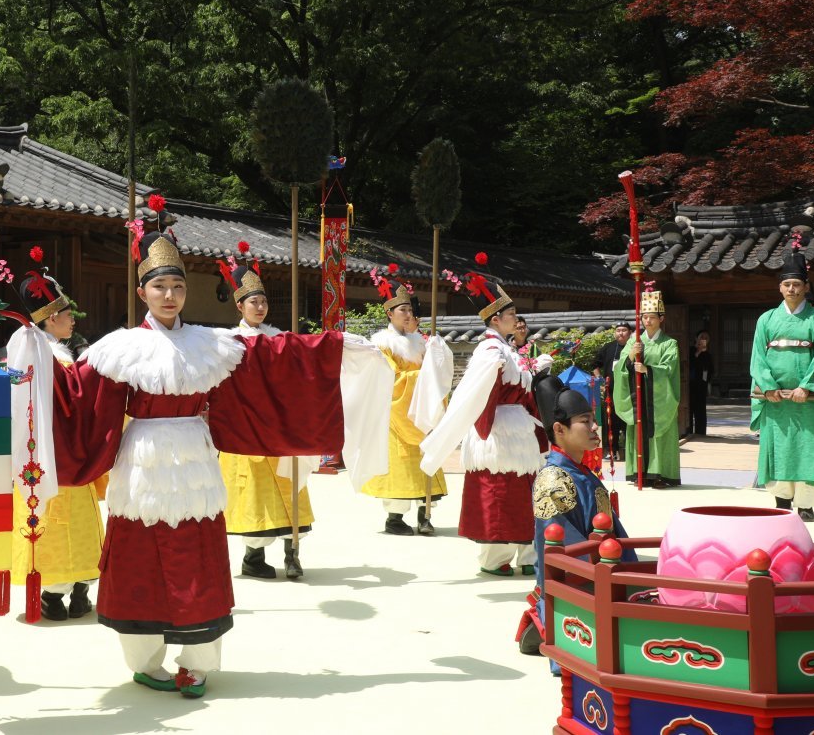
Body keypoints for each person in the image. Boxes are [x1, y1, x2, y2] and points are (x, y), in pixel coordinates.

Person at [47, 226, 391, 698]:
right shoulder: (118, 347)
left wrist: (334, 346)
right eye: (160, 287)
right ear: (141, 291)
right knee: (140, 558)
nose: (170, 296)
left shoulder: (212, 344)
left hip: (194, 456)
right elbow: (75, 397)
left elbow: (276, 356)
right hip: (143, 461)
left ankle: (197, 662)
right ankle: (145, 660)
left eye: (178, 286)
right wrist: (32, 360)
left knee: (198, 556)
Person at [420, 268, 548, 577]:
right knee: (500, 490)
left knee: (526, 487)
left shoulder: (508, 349)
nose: (516, 320)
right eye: (511, 314)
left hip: (520, 425)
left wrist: (535, 370)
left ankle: (529, 552)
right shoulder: (490, 351)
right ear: (495, 319)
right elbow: (473, 392)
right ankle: (495, 557)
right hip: (496, 429)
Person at [8, 265, 107, 620]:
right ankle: (55, 591)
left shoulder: (43, 354)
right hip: (59, 455)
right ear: (50, 320)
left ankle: (77, 587)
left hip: (55, 454)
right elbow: (73, 398)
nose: (72, 319)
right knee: (62, 518)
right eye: (66, 314)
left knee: (74, 517)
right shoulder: (49, 358)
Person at [516, 375, 635, 667]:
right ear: (559, 429)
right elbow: (559, 550)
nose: (595, 427)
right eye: (585, 421)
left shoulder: (581, 471)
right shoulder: (553, 479)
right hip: (583, 585)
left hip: (605, 572)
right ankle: (546, 622)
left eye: (593, 419)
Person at [217, 250, 314, 577]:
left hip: (281, 425)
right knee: (255, 494)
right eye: (253, 302)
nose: (260, 307)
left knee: (291, 485)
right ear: (239, 306)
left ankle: (293, 554)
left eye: (263, 301)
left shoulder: (279, 340)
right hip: (248, 430)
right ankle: (253, 558)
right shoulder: (229, 343)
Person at [361, 271, 452, 536]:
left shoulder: (419, 341)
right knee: (400, 464)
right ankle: (395, 517)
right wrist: (421, 378)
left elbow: (437, 369)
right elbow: (388, 377)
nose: (407, 314)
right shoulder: (382, 343)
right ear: (390, 313)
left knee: (426, 459)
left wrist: (432, 361)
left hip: (421, 409)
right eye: (402, 309)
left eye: (409, 309)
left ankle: (426, 514)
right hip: (396, 412)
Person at [753, 252, 814, 521]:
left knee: (809, 448)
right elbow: (758, 357)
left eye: (797, 284)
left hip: (806, 399)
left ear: (806, 287)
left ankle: (806, 504)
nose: (792, 289)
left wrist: (808, 387)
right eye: (787, 284)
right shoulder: (766, 319)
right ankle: (781, 500)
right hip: (776, 400)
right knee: (780, 448)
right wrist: (767, 388)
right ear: (779, 287)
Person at [613, 289, 681, 487]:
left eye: (652, 317)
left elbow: (669, 369)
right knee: (638, 430)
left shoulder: (669, 343)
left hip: (659, 399)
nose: (647, 321)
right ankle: (639, 471)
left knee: (660, 432)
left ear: (661, 318)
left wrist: (647, 370)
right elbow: (620, 369)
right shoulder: (635, 342)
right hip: (638, 398)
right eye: (644, 317)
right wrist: (632, 355)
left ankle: (659, 473)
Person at [592, 322, 632, 460]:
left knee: (629, 421)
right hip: (611, 390)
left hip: (629, 391)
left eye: (624, 330)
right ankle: (612, 450)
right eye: (618, 330)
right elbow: (595, 364)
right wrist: (600, 381)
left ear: (630, 333)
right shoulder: (608, 347)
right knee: (611, 421)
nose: (620, 333)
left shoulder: (634, 347)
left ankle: (631, 451)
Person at [688, 330, 713, 437]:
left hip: (701, 385)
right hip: (690, 385)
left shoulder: (707, 354)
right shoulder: (690, 350)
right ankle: (687, 432)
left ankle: (701, 433)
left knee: (701, 410)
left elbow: (711, 370)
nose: (704, 340)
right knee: (689, 409)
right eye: (701, 337)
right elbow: (688, 364)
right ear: (696, 338)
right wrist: (697, 352)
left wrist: (708, 382)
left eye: (706, 338)